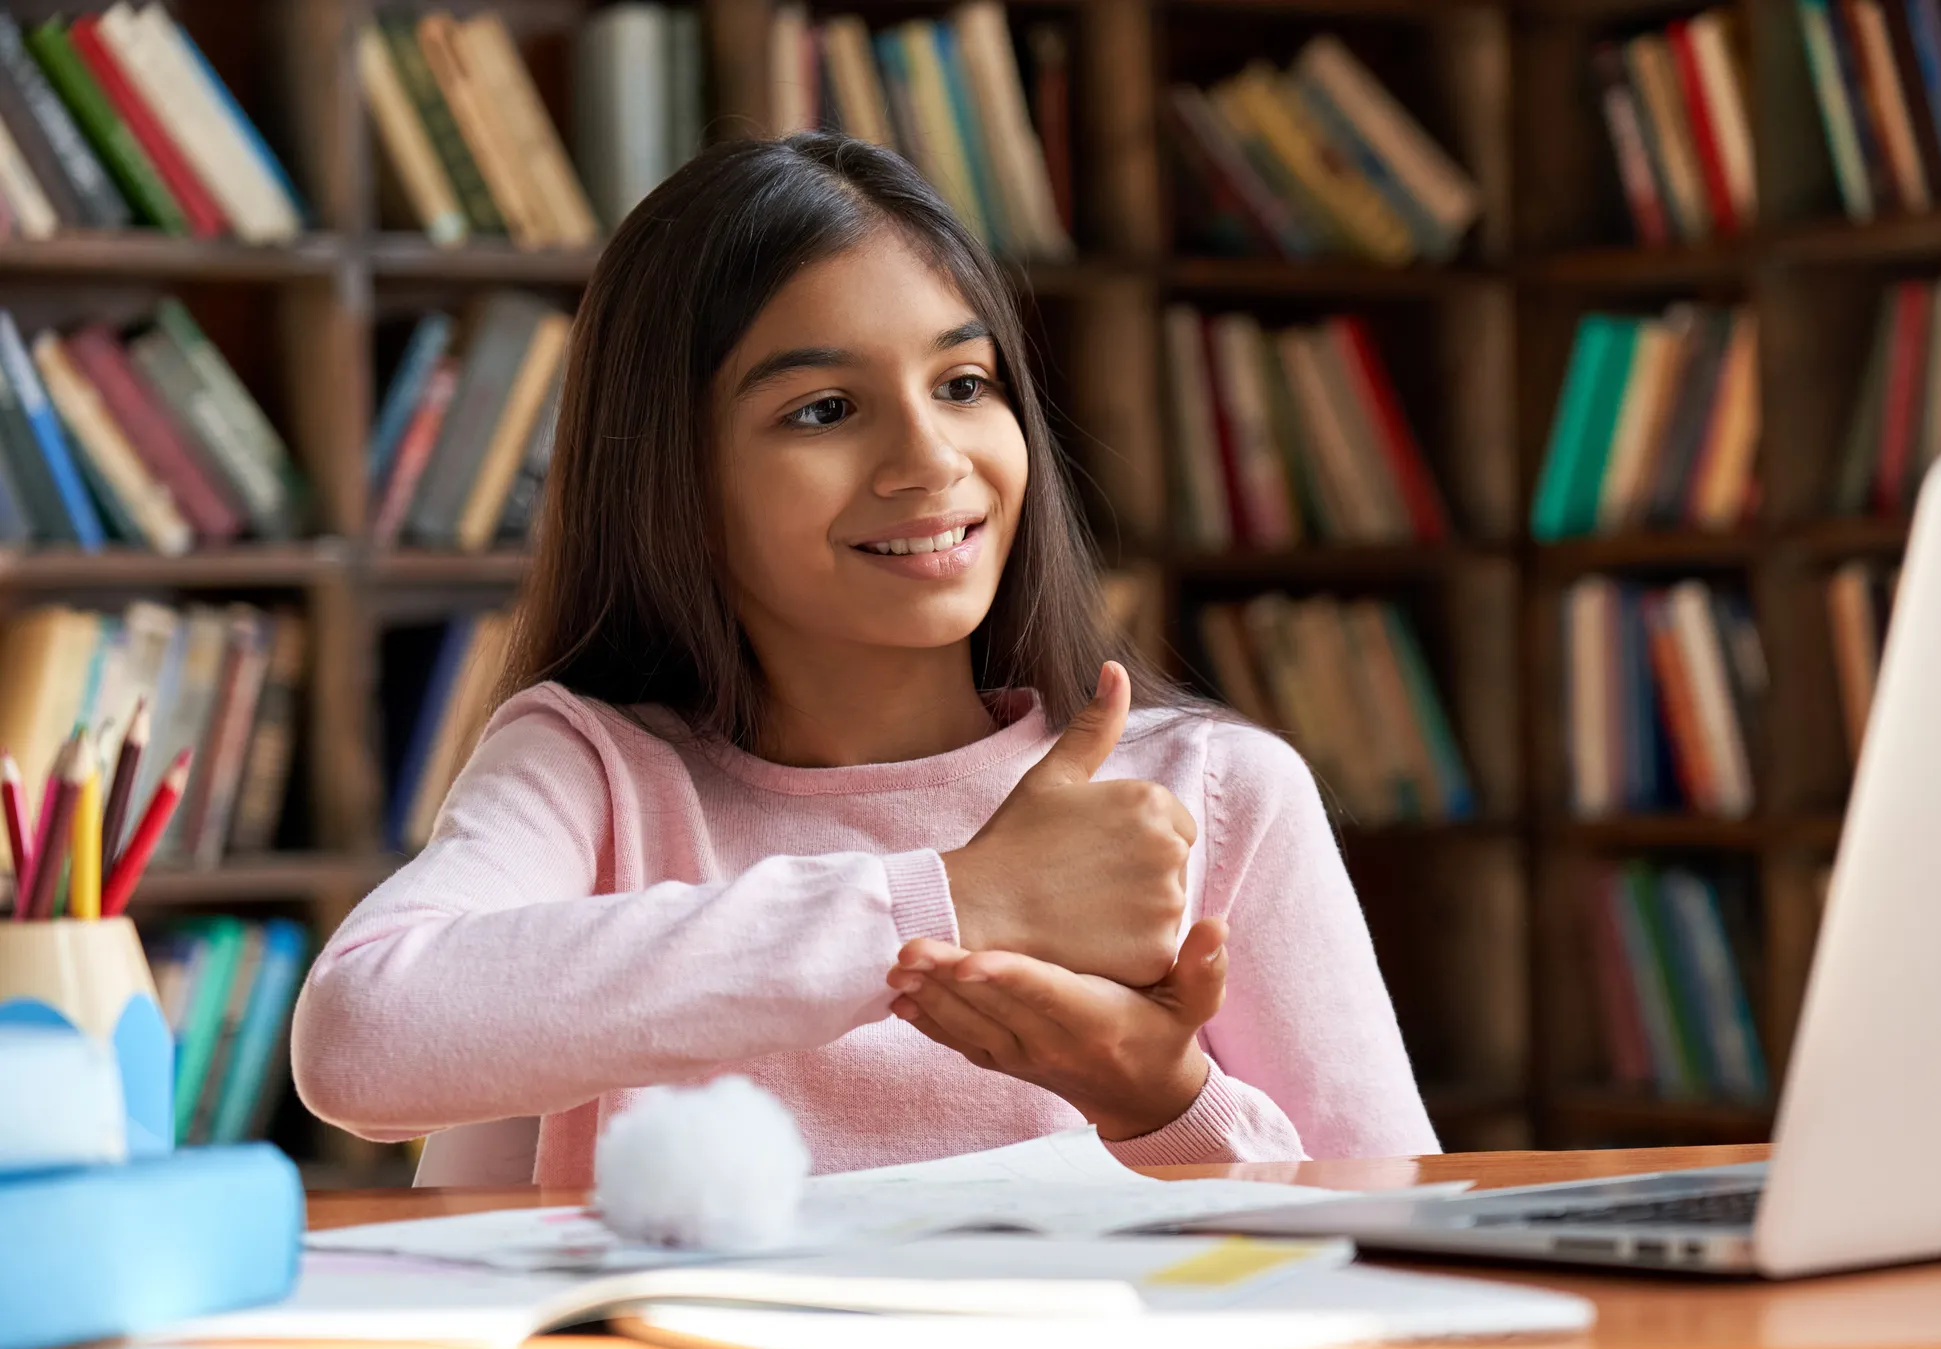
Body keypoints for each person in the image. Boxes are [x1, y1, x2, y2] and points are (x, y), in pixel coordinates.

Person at [292, 135, 1435, 1185]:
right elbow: (361, 1038)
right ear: (673, 482)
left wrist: (1159, 1104)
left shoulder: (1213, 793)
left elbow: (1404, 1254)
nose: (930, 459)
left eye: (963, 384)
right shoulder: (594, 772)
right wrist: (958, 899)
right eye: (827, 408)